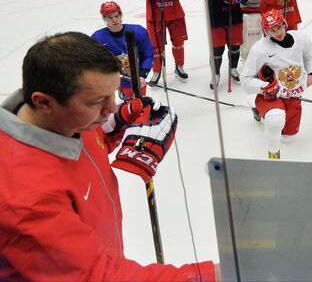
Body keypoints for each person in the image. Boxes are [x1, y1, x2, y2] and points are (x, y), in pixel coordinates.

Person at [0, 32, 220, 281]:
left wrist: (117, 124)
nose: (111, 107)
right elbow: (98, 276)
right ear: (44, 103)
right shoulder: (24, 197)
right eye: (97, 101)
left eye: (112, 94)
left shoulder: (66, 120)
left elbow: (84, 146)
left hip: (103, 253)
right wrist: (209, 276)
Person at [241, 9, 312, 160]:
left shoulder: (301, 38)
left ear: (285, 24)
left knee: (289, 138)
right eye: (272, 30)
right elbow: (245, 80)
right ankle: (273, 154)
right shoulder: (260, 49)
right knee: (276, 119)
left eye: (279, 27)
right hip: (272, 96)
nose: (277, 32)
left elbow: (309, 56)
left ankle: (262, 116)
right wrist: (265, 87)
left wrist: (311, 73)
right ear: (266, 31)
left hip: (294, 95)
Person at [193, 0, 249, 89]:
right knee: (216, 49)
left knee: (234, 46)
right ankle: (216, 74)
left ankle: (233, 68)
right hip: (215, 19)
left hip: (234, 17)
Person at [91, 1, 154, 100]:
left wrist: (143, 74)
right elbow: (93, 60)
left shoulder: (138, 32)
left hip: (138, 79)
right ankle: (122, 92)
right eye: (110, 17)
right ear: (104, 19)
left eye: (116, 16)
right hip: (115, 80)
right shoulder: (98, 37)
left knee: (139, 104)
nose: (114, 20)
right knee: (127, 106)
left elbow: (148, 55)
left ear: (121, 15)